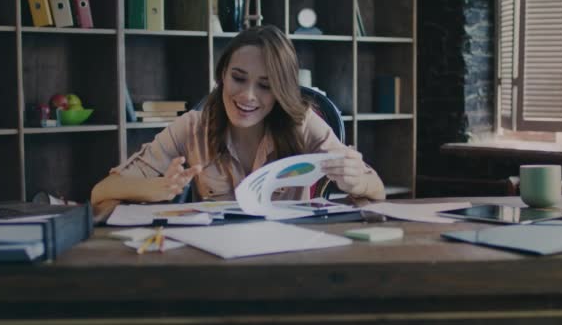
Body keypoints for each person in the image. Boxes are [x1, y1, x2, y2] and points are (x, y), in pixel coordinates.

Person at [91, 25, 385, 219]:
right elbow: (101, 192)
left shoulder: (303, 124)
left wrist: (356, 179)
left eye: (265, 86)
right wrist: (156, 189)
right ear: (222, 74)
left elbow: (377, 190)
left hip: (286, 255)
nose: (247, 96)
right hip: (214, 261)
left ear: (281, 90)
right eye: (238, 78)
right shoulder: (192, 127)